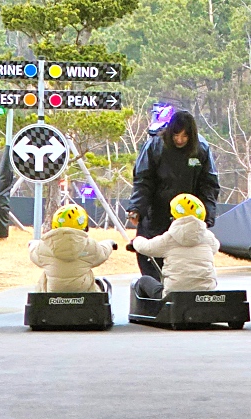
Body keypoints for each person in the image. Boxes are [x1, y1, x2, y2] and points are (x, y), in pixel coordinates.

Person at [128, 109, 220, 281]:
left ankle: (180, 296)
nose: (179, 140)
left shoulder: (201, 149)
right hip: (156, 214)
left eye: (185, 136)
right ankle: (156, 296)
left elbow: (209, 185)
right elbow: (143, 180)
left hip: (188, 216)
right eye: (176, 135)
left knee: (185, 261)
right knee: (152, 256)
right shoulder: (154, 146)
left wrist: (207, 216)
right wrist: (136, 208)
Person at [128, 194, 219, 299]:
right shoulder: (208, 237)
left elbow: (147, 247)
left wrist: (136, 241)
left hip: (174, 296)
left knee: (143, 281)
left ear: (175, 217)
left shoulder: (170, 238)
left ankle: (150, 314)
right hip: (205, 295)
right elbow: (215, 247)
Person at [28, 204, 115, 293]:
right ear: (84, 226)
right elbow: (103, 252)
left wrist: (32, 244)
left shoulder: (44, 246)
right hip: (85, 298)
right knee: (98, 287)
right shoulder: (90, 246)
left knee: (42, 282)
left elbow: (33, 251)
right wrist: (110, 243)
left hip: (51, 299)